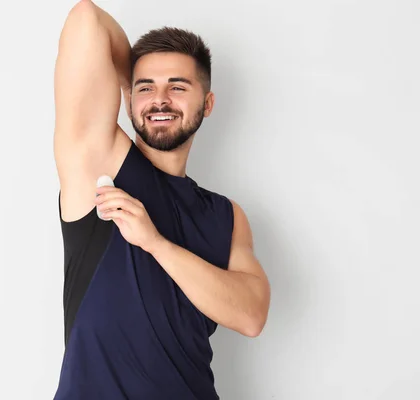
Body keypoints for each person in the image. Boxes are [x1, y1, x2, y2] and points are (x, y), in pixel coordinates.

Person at [52, 1, 271, 398]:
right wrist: (127, 84)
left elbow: (252, 315)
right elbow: (86, 18)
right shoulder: (101, 162)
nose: (160, 99)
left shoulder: (226, 215)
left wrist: (155, 244)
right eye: (146, 88)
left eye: (178, 87)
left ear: (207, 104)